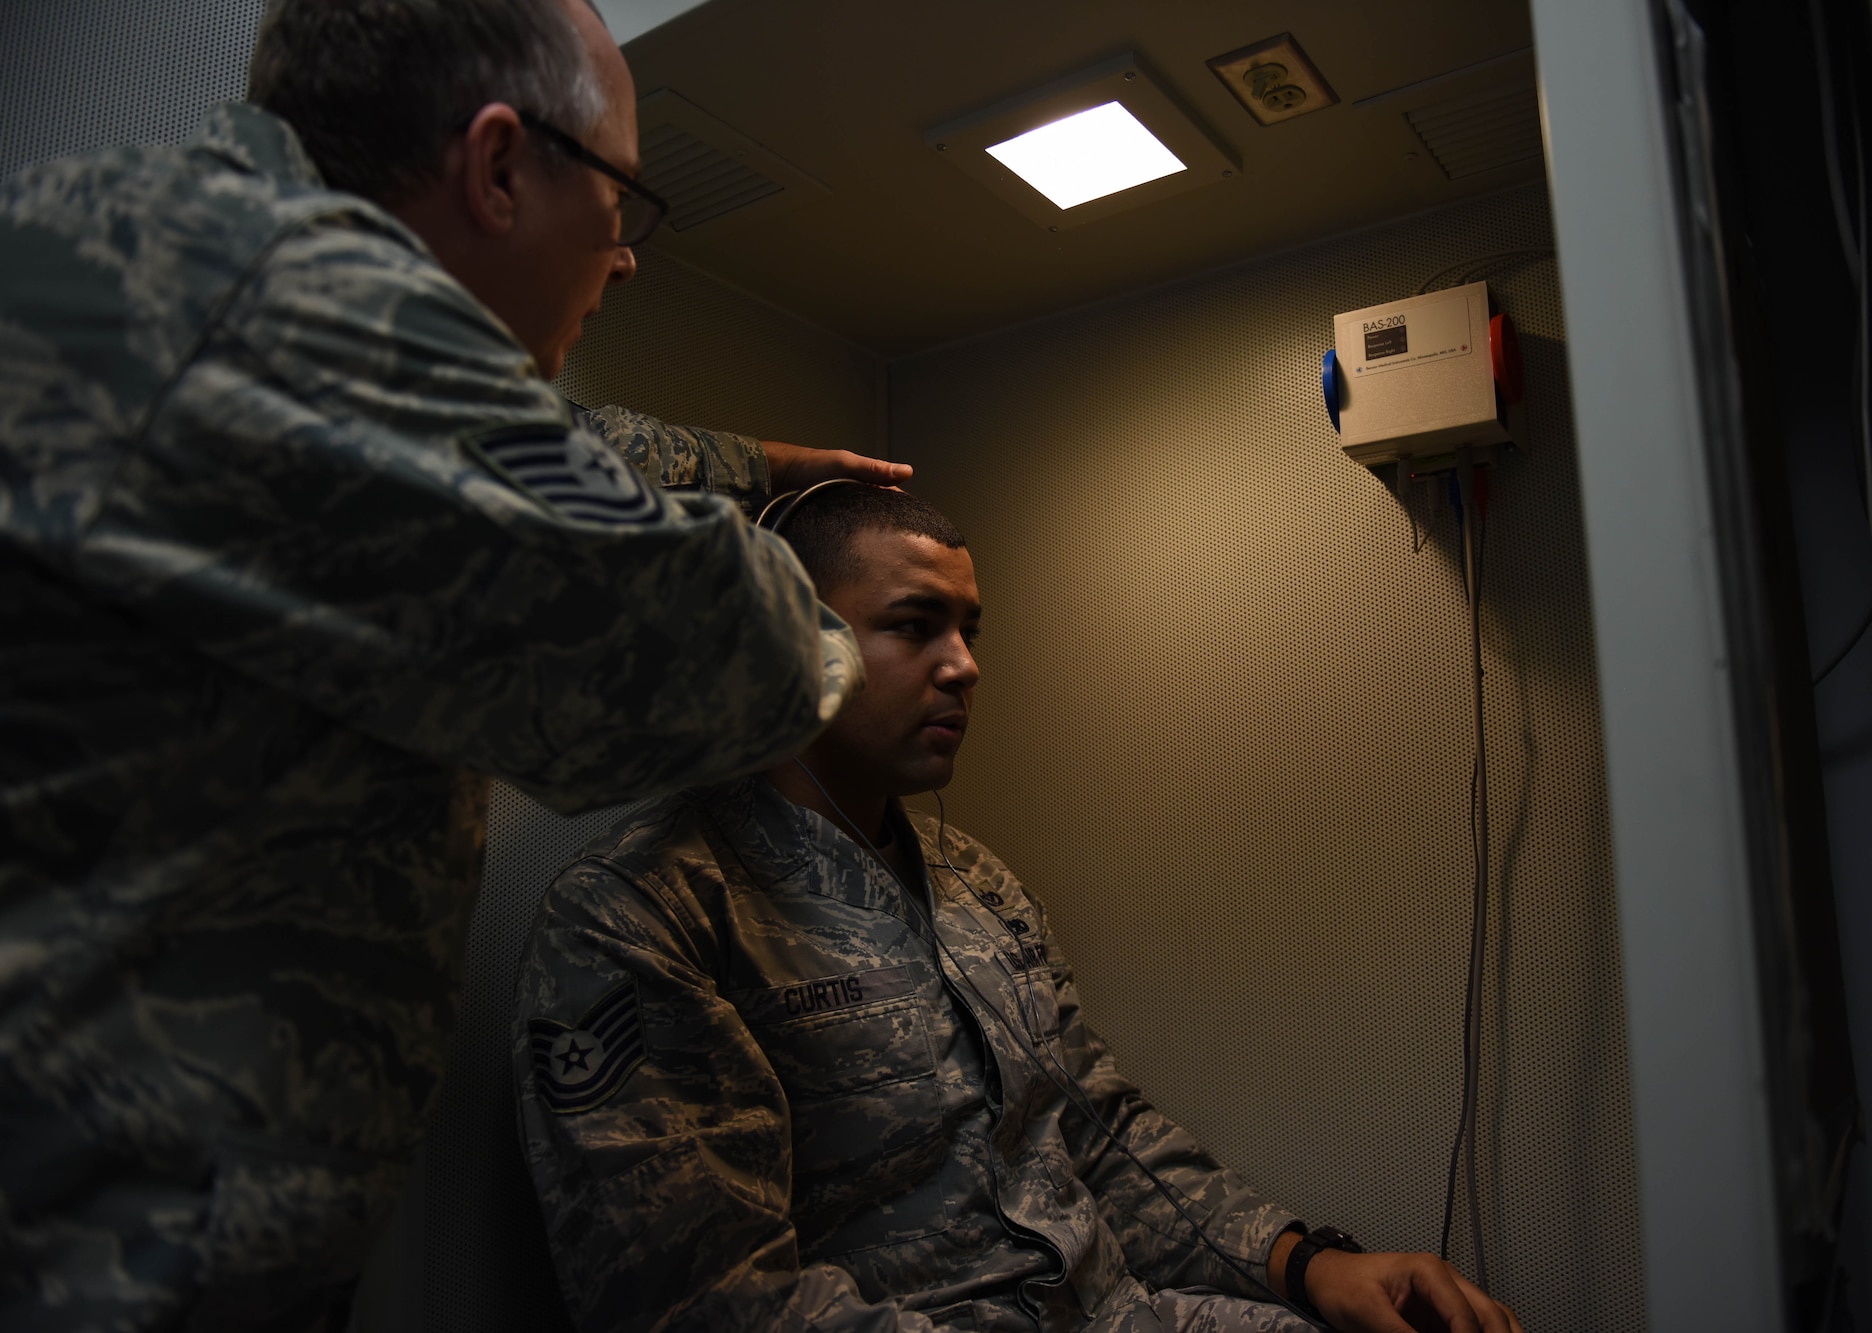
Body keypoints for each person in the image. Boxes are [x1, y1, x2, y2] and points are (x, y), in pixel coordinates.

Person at [0, 0, 906, 1326]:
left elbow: (527, 435)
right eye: (622, 197)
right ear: (497, 164)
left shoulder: (145, 243)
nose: (629, 257)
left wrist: (759, 467)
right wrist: (824, 592)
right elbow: (730, 657)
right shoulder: (295, 298)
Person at [514, 485, 1526, 1333]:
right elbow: (705, 1304)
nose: (964, 666)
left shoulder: (975, 884)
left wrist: (1303, 1264)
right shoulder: (647, 913)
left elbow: (1101, 1136)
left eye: (969, 630)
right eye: (914, 626)